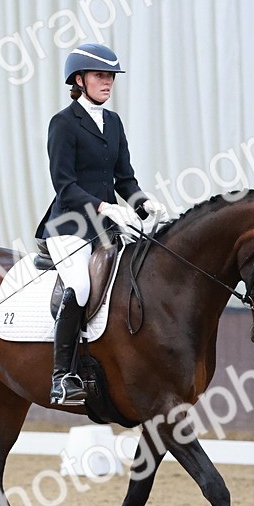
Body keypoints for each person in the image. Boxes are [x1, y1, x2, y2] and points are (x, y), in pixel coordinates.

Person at [34, 43, 171, 405]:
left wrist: (143, 204)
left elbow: (124, 178)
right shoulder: (63, 124)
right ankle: (62, 376)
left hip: (106, 226)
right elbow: (64, 184)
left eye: (110, 76)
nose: (107, 82)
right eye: (100, 76)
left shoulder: (113, 122)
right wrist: (104, 207)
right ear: (79, 80)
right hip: (70, 224)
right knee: (79, 285)